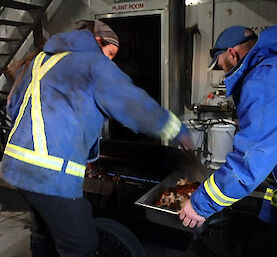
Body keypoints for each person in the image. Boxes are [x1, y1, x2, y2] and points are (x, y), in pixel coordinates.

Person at [0, 20, 193, 257]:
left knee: (45, 234)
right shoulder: (92, 62)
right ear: (98, 42)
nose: (110, 60)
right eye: (110, 53)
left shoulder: (42, 60)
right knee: (80, 245)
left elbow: (13, 105)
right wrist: (176, 130)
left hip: (16, 167)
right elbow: (132, 104)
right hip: (48, 173)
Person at [180, 24, 277, 256]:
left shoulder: (266, 80)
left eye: (221, 64)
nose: (223, 72)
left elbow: (249, 163)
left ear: (232, 53)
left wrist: (199, 204)